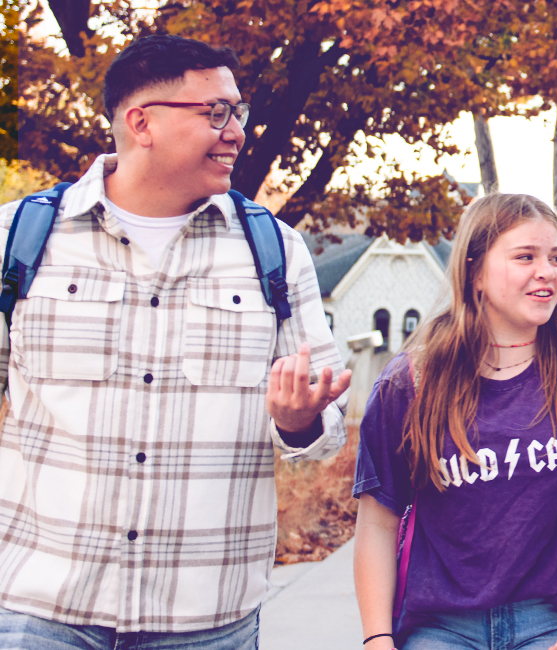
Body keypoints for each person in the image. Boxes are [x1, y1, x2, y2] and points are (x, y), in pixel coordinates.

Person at [0, 35, 350, 649]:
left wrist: (299, 421)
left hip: (205, 620)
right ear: (142, 122)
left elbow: (327, 435)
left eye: (238, 112)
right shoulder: (19, 237)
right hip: (38, 611)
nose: (237, 131)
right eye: (215, 112)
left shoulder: (274, 252)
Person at [352, 193, 557, 650]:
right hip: (439, 626)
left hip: (552, 622)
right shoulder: (411, 384)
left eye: (556, 258)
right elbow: (377, 523)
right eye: (526, 256)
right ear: (475, 272)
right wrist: (377, 638)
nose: (547, 271)